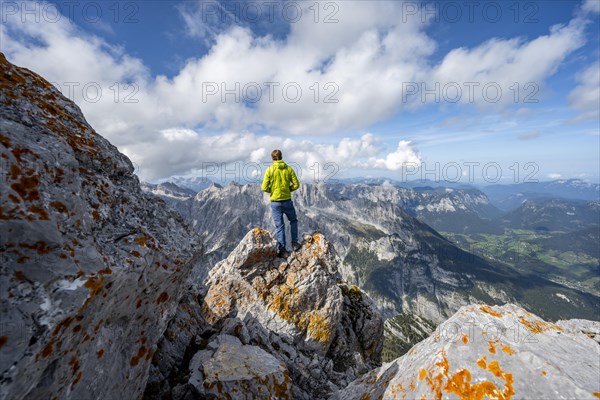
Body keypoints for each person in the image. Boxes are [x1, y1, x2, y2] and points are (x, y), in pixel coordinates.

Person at [261, 149, 301, 257]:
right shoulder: (288, 169)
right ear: (282, 157)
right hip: (287, 201)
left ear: (272, 158)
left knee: (280, 226)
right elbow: (296, 185)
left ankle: (282, 250)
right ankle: (295, 243)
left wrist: (273, 191)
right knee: (293, 220)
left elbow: (264, 187)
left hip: (275, 203)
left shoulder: (269, 170)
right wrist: (288, 190)